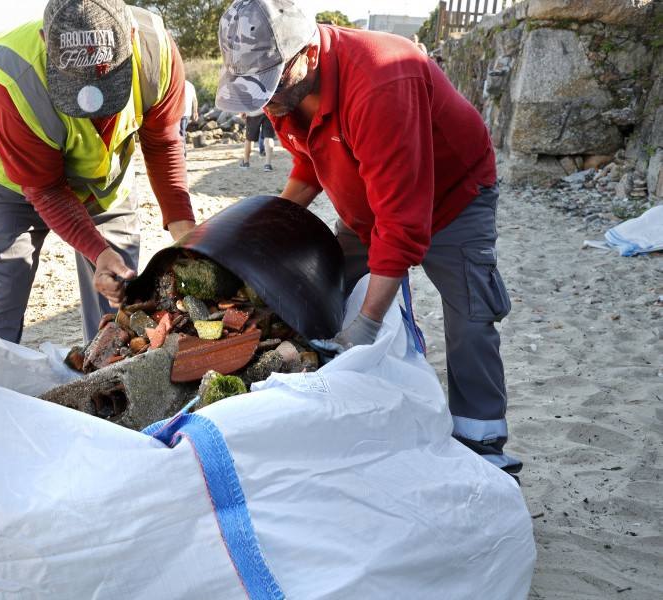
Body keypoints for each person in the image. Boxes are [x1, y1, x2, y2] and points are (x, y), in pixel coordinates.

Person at [216, 0, 521, 476]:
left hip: (451, 194)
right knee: (331, 294)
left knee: (469, 315)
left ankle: (482, 441)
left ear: (308, 58)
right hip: (371, 197)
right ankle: (358, 416)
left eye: (268, 87)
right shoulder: (283, 89)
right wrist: (262, 230)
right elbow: (307, 160)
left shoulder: (380, 82)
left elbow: (401, 225)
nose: (263, 102)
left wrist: (369, 324)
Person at [0, 0, 196, 345]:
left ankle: (106, 383)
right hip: (8, 182)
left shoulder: (155, 53)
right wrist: (96, 250)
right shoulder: (13, 87)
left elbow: (162, 143)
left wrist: (187, 235)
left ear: (129, 37)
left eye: (106, 80)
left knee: (121, 297)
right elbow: (47, 190)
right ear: (45, 40)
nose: (92, 106)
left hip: (103, 182)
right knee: (3, 292)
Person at [180, 79, 199, 157]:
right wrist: (195, 112)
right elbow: (195, 100)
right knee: (182, 132)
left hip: (180, 113)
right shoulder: (191, 85)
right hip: (188, 113)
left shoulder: (178, 84)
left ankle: (183, 154)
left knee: (181, 133)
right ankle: (183, 154)